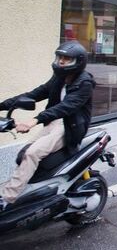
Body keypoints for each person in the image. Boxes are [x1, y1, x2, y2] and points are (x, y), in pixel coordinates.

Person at [0, 41, 96, 211]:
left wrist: (34, 120)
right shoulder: (59, 78)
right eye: (60, 57)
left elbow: (66, 107)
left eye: (67, 59)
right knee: (23, 154)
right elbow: (35, 94)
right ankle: (32, 189)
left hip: (69, 126)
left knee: (32, 153)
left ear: (78, 61)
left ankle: (7, 198)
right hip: (54, 122)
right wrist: (3, 105)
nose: (61, 62)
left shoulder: (85, 83)